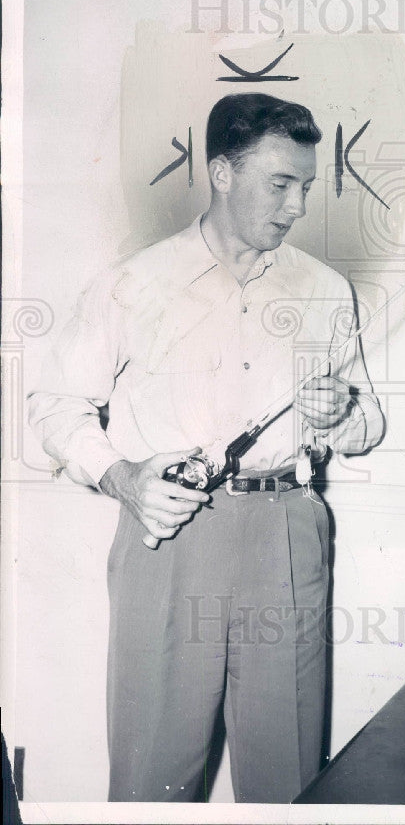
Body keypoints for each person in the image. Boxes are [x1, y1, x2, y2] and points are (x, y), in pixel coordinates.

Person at [27, 93, 385, 803]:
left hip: (288, 533)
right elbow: (53, 406)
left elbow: (368, 421)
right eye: (279, 184)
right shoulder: (134, 285)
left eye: (305, 188)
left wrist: (343, 413)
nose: (295, 206)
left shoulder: (323, 289)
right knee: (152, 775)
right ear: (222, 173)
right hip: (169, 538)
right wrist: (121, 477)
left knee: (290, 781)